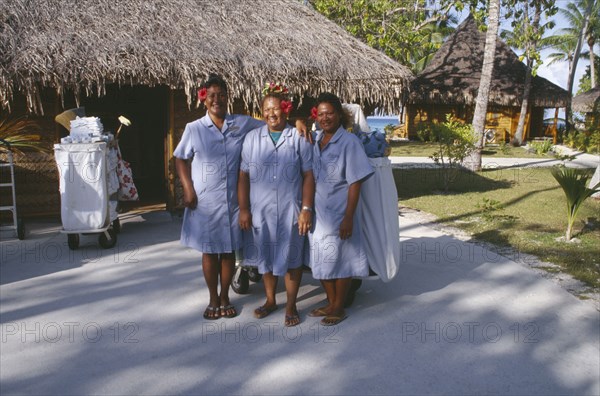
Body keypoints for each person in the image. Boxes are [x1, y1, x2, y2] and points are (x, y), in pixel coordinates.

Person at [174, 74, 265, 320]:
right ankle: (213, 299)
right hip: (204, 202)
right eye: (211, 95)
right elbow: (180, 158)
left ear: (228, 98)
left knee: (227, 251)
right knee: (209, 251)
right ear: (203, 98)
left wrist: (298, 126)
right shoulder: (194, 129)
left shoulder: (241, 123)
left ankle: (225, 297)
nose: (217, 100)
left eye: (222, 95)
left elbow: (271, 125)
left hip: (233, 202)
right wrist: (188, 188)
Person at [238, 83, 314, 327]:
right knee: (266, 258)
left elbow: (309, 176)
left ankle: (291, 305)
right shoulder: (251, 138)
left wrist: (306, 209)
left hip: (290, 211)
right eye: (267, 109)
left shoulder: (298, 137)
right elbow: (243, 176)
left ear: (286, 109)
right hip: (261, 210)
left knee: (292, 259)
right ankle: (270, 300)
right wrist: (244, 209)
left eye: (277, 108)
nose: (272, 113)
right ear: (261, 113)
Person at [307, 92, 374, 326]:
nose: (325, 118)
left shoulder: (349, 142)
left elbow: (355, 181)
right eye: (321, 114)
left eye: (330, 113)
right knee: (322, 258)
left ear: (339, 115)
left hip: (340, 211)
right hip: (319, 215)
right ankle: (332, 302)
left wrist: (348, 217)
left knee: (343, 259)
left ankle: (338, 306)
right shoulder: (315, 141)